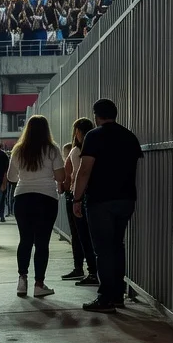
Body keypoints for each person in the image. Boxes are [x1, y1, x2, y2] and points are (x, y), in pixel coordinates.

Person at [71, 98, 144, 314]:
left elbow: (84, 171)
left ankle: (106, 297)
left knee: (102, 250)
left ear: (96, 115)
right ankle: (118, 295)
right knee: (117, 245)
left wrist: (76, 198)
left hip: (100, 201)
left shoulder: (94, 136)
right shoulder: (129, 136)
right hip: (126, 199)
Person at [7, 115, 66, 298]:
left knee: (25, 240)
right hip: (46, 199)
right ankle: (39, 285)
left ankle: (22, 281)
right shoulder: (52, 149)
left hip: (23, 198)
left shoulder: (18, 150)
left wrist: (26, 176)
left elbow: (11, 177)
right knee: (42, 242)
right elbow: (61, 177)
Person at [62, 118, 99, 284]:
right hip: (91, 193)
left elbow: (71, 173)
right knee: (89, 236)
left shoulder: (76, 150)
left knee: (80, 235)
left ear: (77, 132)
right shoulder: (94, 147)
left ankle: (86, 269)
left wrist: (71, 193)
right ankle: (92, 270)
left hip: (76, 195)